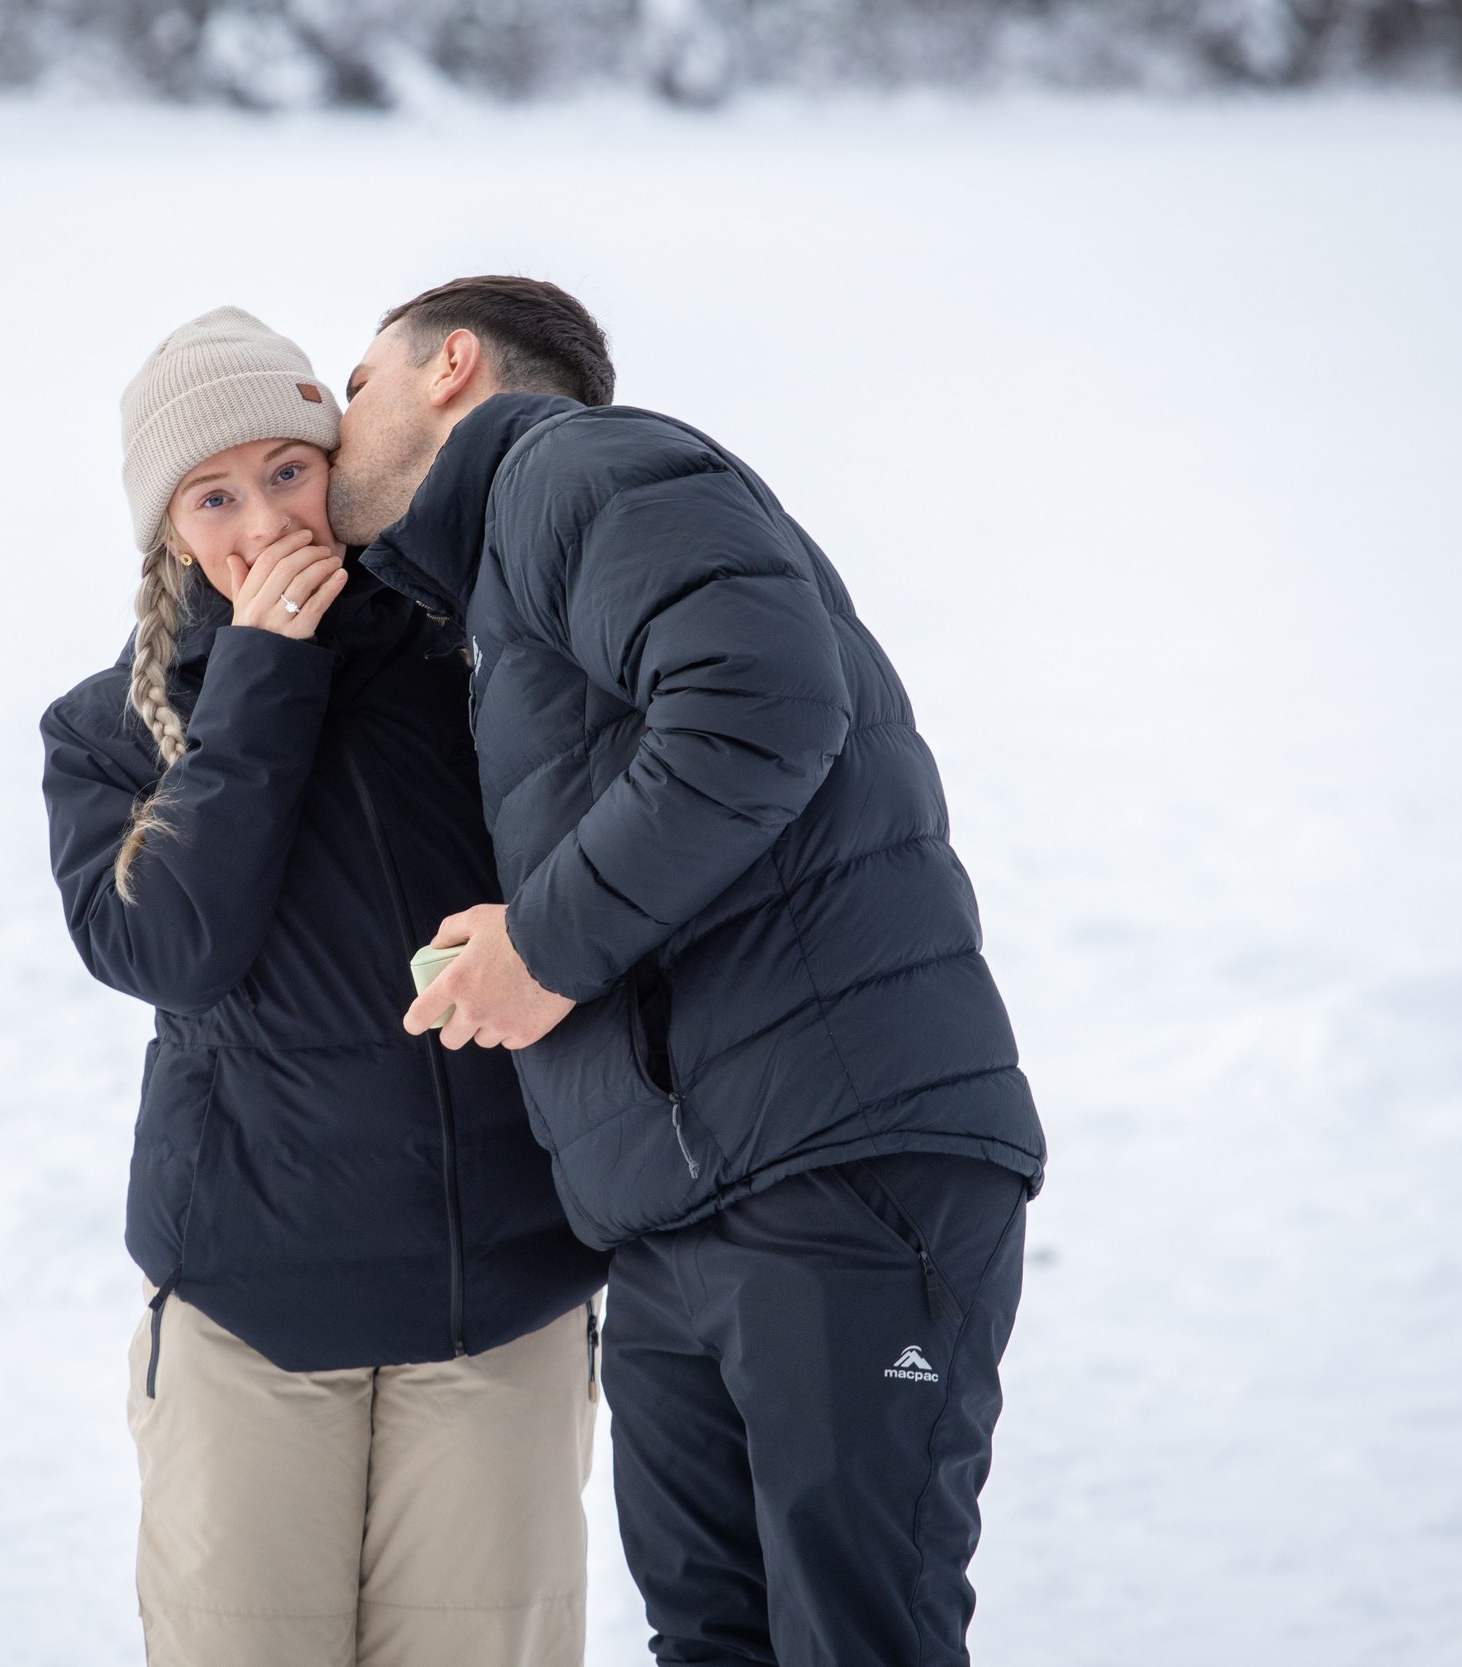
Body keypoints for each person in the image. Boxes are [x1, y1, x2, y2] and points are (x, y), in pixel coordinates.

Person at [326, 275, 1050, 1667]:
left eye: (357, 383)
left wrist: (541, 946)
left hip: (835, 1172)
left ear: (452, 366)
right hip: (681, 1212)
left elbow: (762, 704)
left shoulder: (577, 466)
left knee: (859, 1633)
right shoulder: (509, 579)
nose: (337, 421)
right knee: (715, 1638)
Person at [37, 307, 610, 1667]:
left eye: (289, 472)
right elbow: (167, 947)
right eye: (214, 495)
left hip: (502, 1303)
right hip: (248, 1308)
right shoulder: (105, 732)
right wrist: (260, 680)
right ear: (169, 529)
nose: (263, 521)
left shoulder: (470, 664)